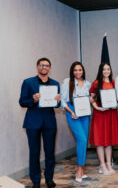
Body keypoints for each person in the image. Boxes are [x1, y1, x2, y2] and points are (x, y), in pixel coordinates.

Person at [19, 57, 60, 188]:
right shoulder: (28, 82)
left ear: (50, 68)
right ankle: (36, 180)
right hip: (33, 122)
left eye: (47, 65)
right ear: (37, 67)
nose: (44, 67)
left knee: (50, 152)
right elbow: (22, 101)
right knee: (34, 152)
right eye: (42, 65)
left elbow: (57, 105)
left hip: (49, 122)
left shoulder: (55, 84)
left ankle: (49, 178)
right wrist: (33, 99)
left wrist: (58, 100)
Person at [61, 62, 91, 182]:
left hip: (85, 114)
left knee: (82, 141)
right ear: (72, 71)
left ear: (83, 71)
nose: (78, 72)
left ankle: (82, 170)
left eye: (80, 70)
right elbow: (63, 100)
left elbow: (88, 99)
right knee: (82, 139)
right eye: (75, 70)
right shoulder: (67, 82)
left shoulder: (87, 83)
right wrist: (71, 112)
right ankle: (79, 169)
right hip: (72, 112)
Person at [89, 62, 118, 176]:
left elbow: (117, 97)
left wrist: (116, 104)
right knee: (100, 140)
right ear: (100, 71)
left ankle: (108, 164)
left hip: (111, 114)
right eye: (104, 69)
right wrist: (96, 107)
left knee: (109, 140)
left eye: (108, 69)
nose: (106, 71)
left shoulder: (113, 82)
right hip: (100, 114)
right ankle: (102, 165)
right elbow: (91, 98)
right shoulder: (96, 83)